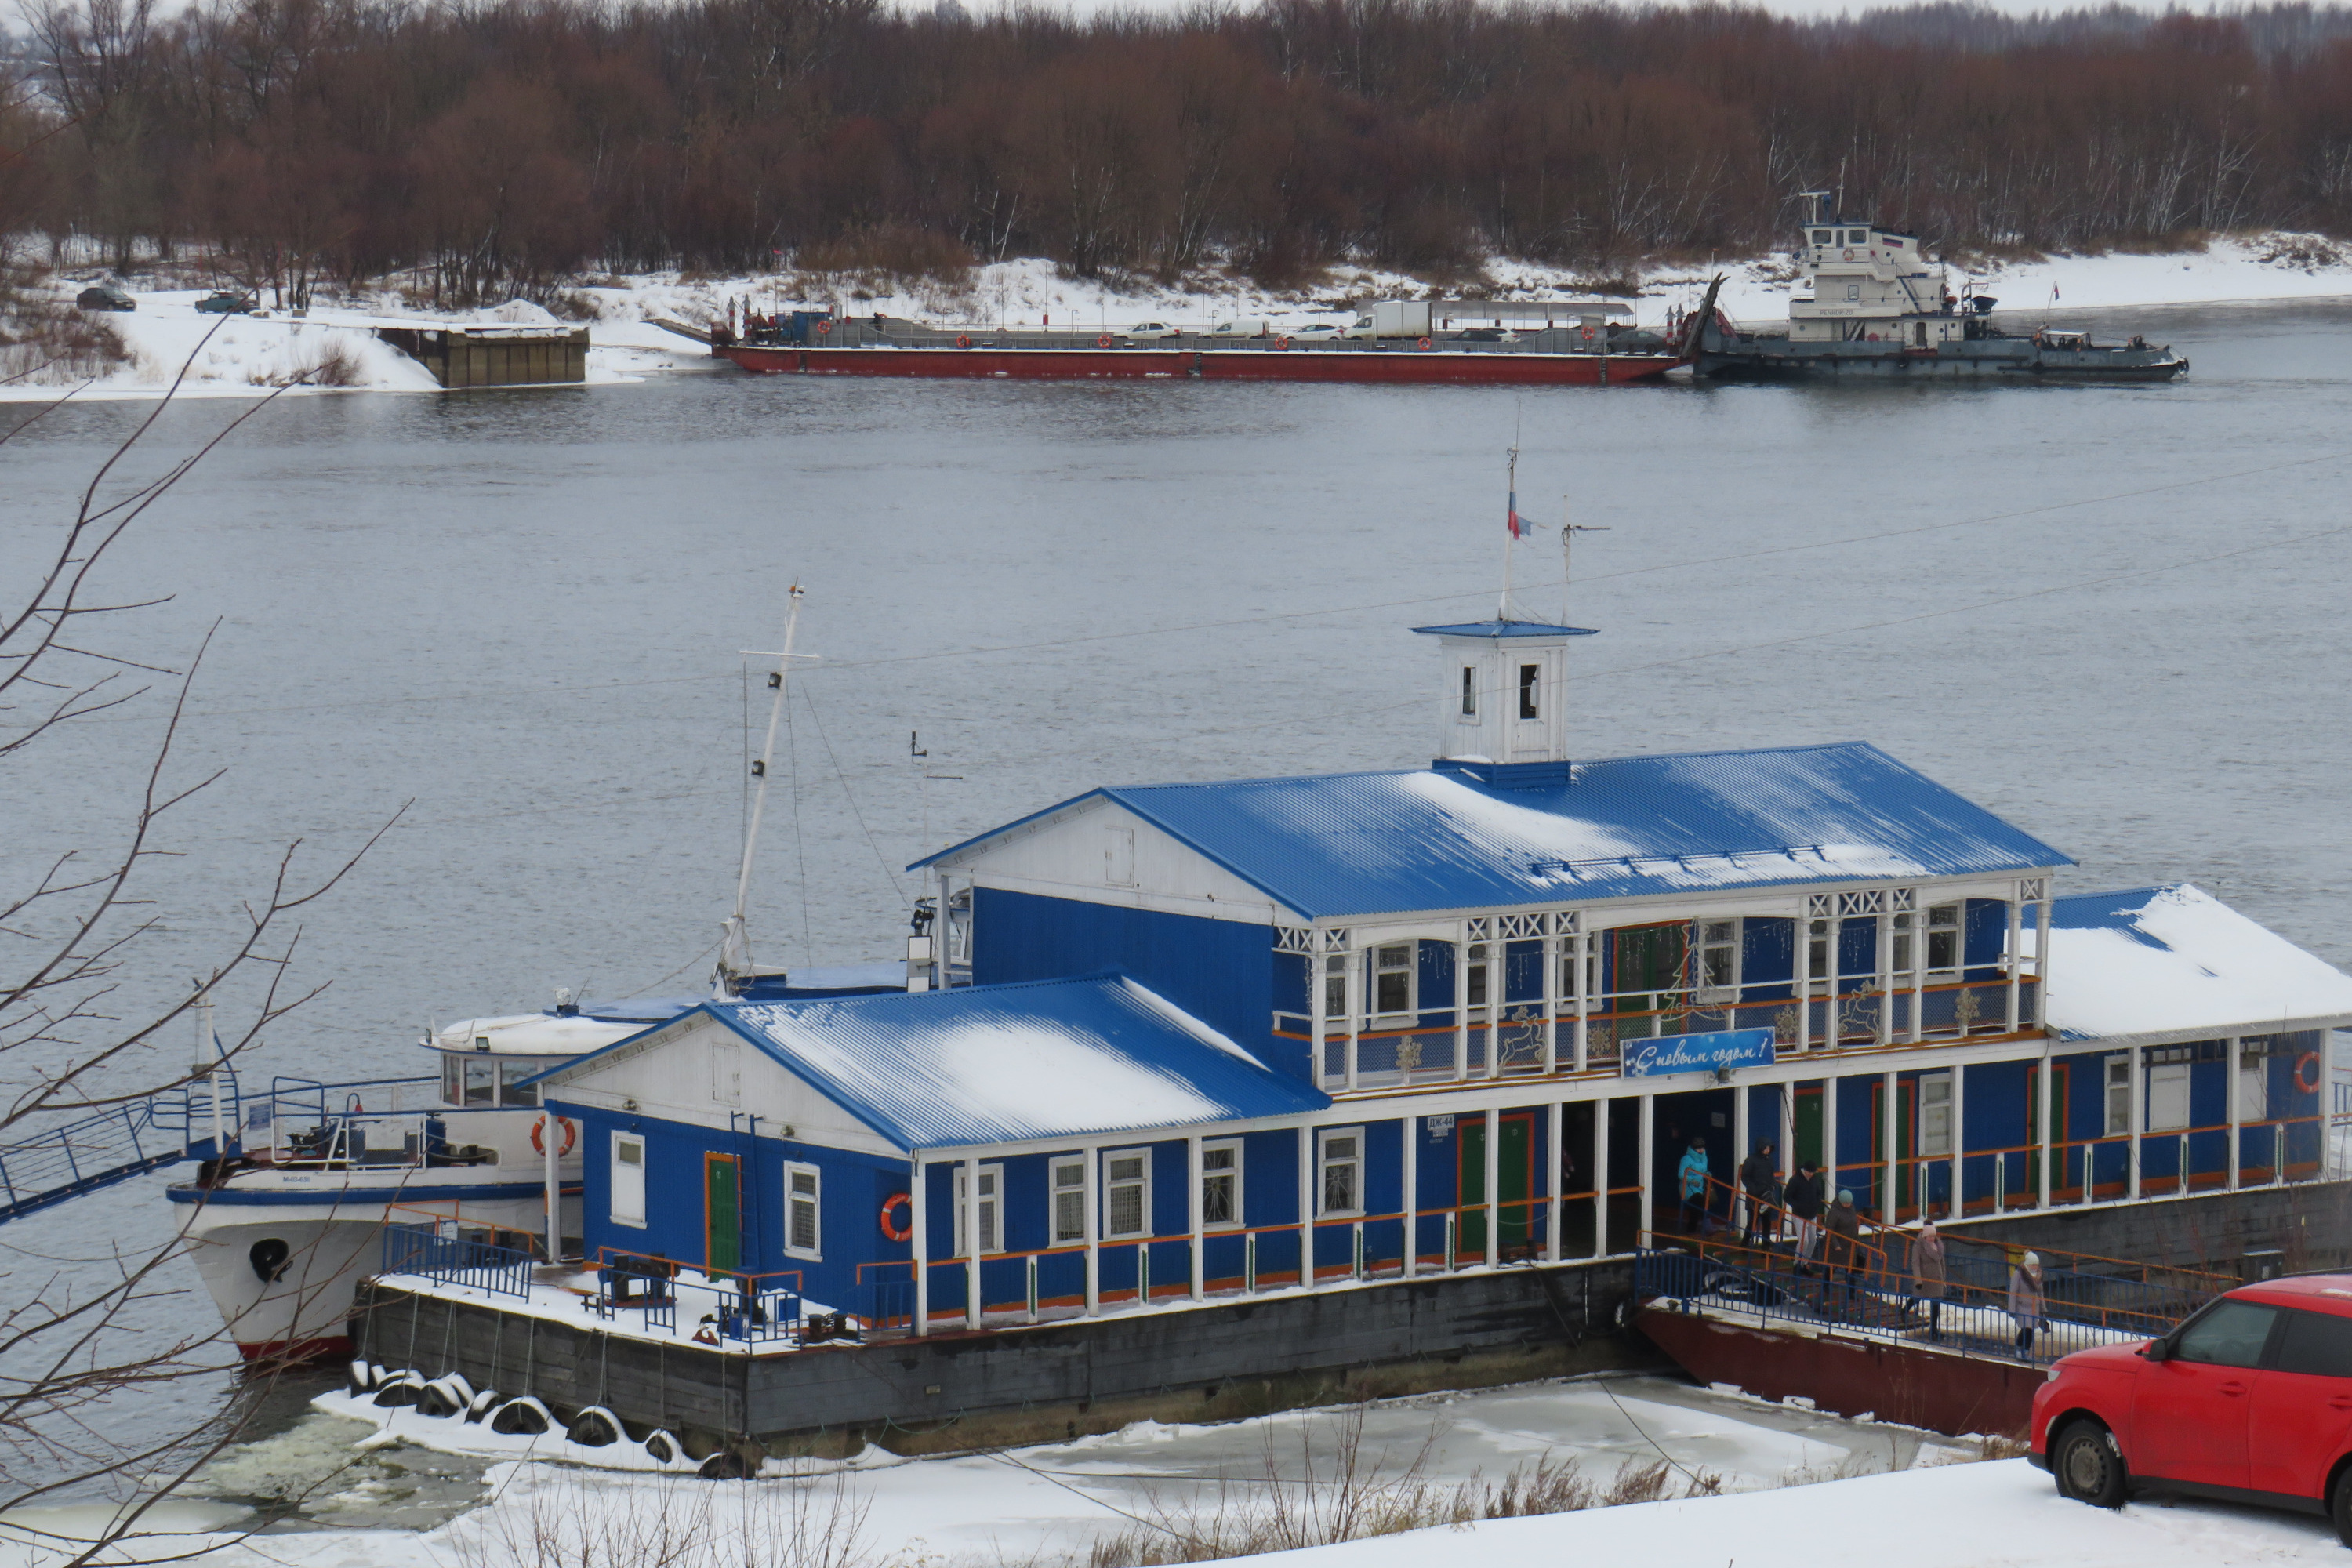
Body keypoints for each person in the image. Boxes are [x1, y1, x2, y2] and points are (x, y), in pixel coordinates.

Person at [1824, 1189, 1864, 1312]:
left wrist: (1857, 1242)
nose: (1848, 1205)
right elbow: (1829, 1229)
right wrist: (1836, 1245)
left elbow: (1854, 1227)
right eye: (1845, 1203)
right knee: (1831, 1267)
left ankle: (1851, 1292)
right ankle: (1825, 1287)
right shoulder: (1834, 1212)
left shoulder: (1852, 1210)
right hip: (1837, 1246)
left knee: (1851, 1270)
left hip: (1849, 1246)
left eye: (1849, 1203)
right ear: (1841, 1202)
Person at [1911, 1221, 1948, 1339]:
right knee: (1917, 1297)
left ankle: (1933, 1330)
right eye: (1930, 1236)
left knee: (1936, 1305)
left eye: (1933, 1236)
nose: (1932, 1239)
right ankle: (1905, 1310)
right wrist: (1918, 1280)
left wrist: (1943, 1279)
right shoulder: (1918, 1246)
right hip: (1925, 1279)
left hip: (1937, 1279)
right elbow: (1915, 1264)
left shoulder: (1938, 1245)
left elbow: (1941, 1262)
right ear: (1925, 1236)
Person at [1739, 1140, 1780, 1248]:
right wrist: (1754, 1189)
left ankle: (1766, 1246)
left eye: (1769, 1148)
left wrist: (1773, 1184)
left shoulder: (1769, 1160)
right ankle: (1745, 1243)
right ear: (1760, 1148)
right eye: (1766, 1148)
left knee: (1767, 1221)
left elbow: (1771, 1174)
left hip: (1767, 1194)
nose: (1768, 1150)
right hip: (1755, 1195)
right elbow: (1745, 1177)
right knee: (1753, 1220)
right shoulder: (1751, 1160)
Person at [1785, 1161, 1824, 1271]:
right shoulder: (1795, 1180)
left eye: (1812, 1173)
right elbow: (1787, 1196)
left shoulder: (1814, 1180)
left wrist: (1817, 1204)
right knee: (1804, 1240)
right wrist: (1797, 1205)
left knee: (1813, 1240)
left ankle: (1805, 1263)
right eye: (1808, 1172)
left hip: (1812, 1215)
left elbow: (1818, 1193)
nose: (1810, 1175)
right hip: (1799, 1216)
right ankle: (1797, 1263)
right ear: (1804, 1170)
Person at [2009, 1250, 2046, 1359]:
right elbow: (2013, 1293)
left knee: (2030, 1331)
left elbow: (2040, 1293)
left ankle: (2025, 1352)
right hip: (2022, 1307)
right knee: (2026, 1329)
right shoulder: (2019, 1274)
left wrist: (2043, 1308)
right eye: (2033, 1265)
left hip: (2034, 1307)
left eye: (2036, 1265)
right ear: (2027, 1264)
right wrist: (2012, 1309)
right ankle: (2019, 1350)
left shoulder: (2038, 1275)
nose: (2035, 1267)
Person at [1676, 1136, 1711, 1236]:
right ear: (1693, 1148)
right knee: (1700, 1201)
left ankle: (1691, 1230)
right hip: (1687, 1187)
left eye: (1702, 1148)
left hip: (1699, 1187)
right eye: (1698, 1148)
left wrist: (1708, 1174)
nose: (1701, 1150)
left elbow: (1704, 1171)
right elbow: (1681, 1174)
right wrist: (1691, 1180)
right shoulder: (1686, 1159)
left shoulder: (1704, 1158)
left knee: (1696, 1208)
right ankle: (1708, 1226)